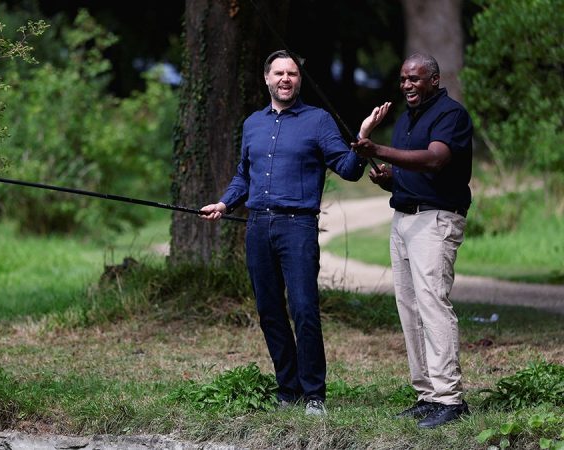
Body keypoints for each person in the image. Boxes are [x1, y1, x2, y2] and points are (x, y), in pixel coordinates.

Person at [200, 50, 389, 416]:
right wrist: (224, 203)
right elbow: (243, 175)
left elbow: (348, 169)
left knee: (303, 309)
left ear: (299, 80)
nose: (285, 79)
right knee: (269, 311)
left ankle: (314, 394)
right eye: (279, 73)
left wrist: (363, 137)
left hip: (297, 227)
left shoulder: (318, 121)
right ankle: (289, 391)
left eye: (292, 74)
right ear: (266, 78)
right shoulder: (252, 124)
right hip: (257, 226)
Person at [351, 53, 473, 428]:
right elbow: (411, 172)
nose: (407, 85)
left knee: (433, 305)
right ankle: (427, 395)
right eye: (404, 79)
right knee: (410, 308)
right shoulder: (405, 119)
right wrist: (389, 178)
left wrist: (377, 149)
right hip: (403, 218)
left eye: (415, 79)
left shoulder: (451, 115)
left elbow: (435, 160)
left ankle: (450, 399)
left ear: (434, 80)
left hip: (435, 219)